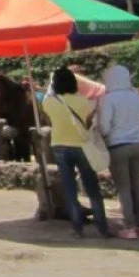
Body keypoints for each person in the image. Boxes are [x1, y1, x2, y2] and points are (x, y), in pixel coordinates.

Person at [44, 66, 110, 238]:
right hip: (82, 146)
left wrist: (52, 82)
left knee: (69, 189)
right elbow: (90, 123)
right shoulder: (84, 101)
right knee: (92, 188)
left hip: (59, 145)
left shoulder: (50, 102)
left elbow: (47, 95)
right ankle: (102, 227)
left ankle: (77, 229)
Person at [97, 64, 139, 239]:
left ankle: (129, 226)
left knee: (123, 187)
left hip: (118, 146)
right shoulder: (137, 97)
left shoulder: (108, 99)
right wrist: (137, 133)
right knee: (138, 184)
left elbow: (104, 127)